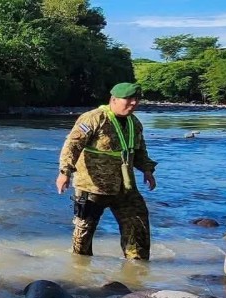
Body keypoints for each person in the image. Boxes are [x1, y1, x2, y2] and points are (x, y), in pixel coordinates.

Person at [55, 82, 158, 260]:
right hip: (93, 186)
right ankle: (80, 270)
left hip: (125, 187)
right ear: (113, 99)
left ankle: (136, 267)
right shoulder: (94, 118)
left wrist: (147, 170)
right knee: (84, 232)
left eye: (136, 99)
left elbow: (139, 150)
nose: (133, 103)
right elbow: (72, 146)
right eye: (128, 99)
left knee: (138, 224)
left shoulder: (134, 123)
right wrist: (65, 172)